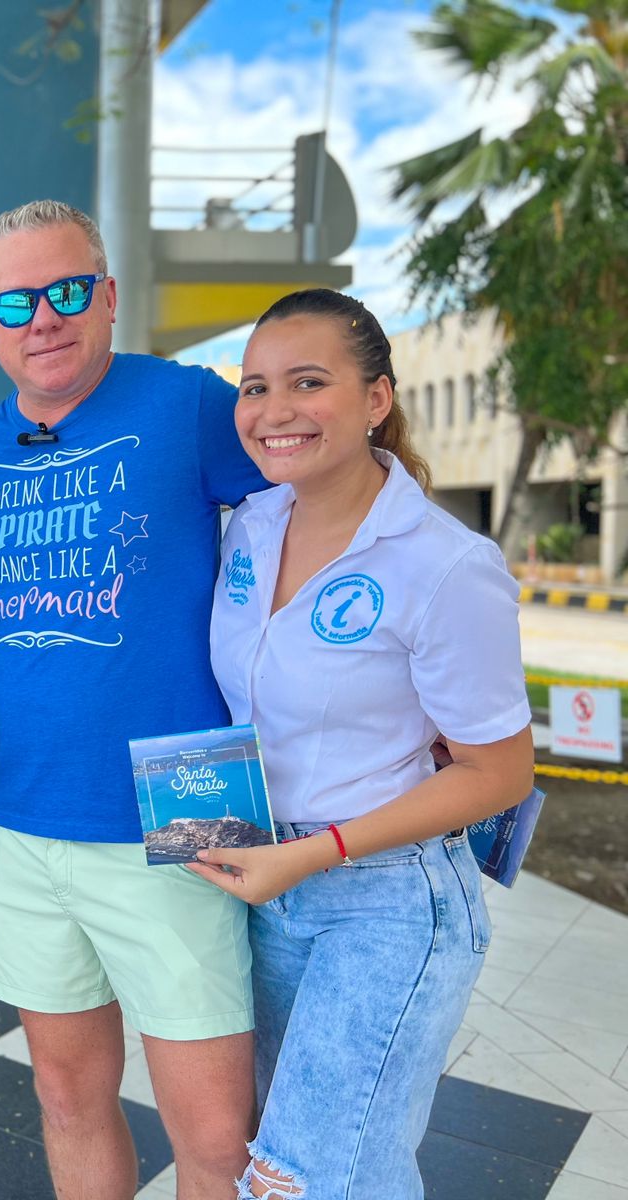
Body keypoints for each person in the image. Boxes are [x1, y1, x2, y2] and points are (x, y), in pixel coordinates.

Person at [0, 199, 267, 1200]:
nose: (42, 317)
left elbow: (321, 504)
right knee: (64, 1095)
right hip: (30, 808)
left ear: (108, 295)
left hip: (189, 792)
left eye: (66, 290)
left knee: (217, 1134)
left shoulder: (188, 404)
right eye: (15, 300)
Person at [189, 289, 533, 1200]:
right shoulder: (250, 529)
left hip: (385, 901)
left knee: (310, 1180)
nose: (274, 411)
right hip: (266, 887)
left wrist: (319, 850)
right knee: (283, 1156)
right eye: (254, 387)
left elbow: (500, 774)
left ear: (377, 397)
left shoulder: (446, 564)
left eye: (309, 382)